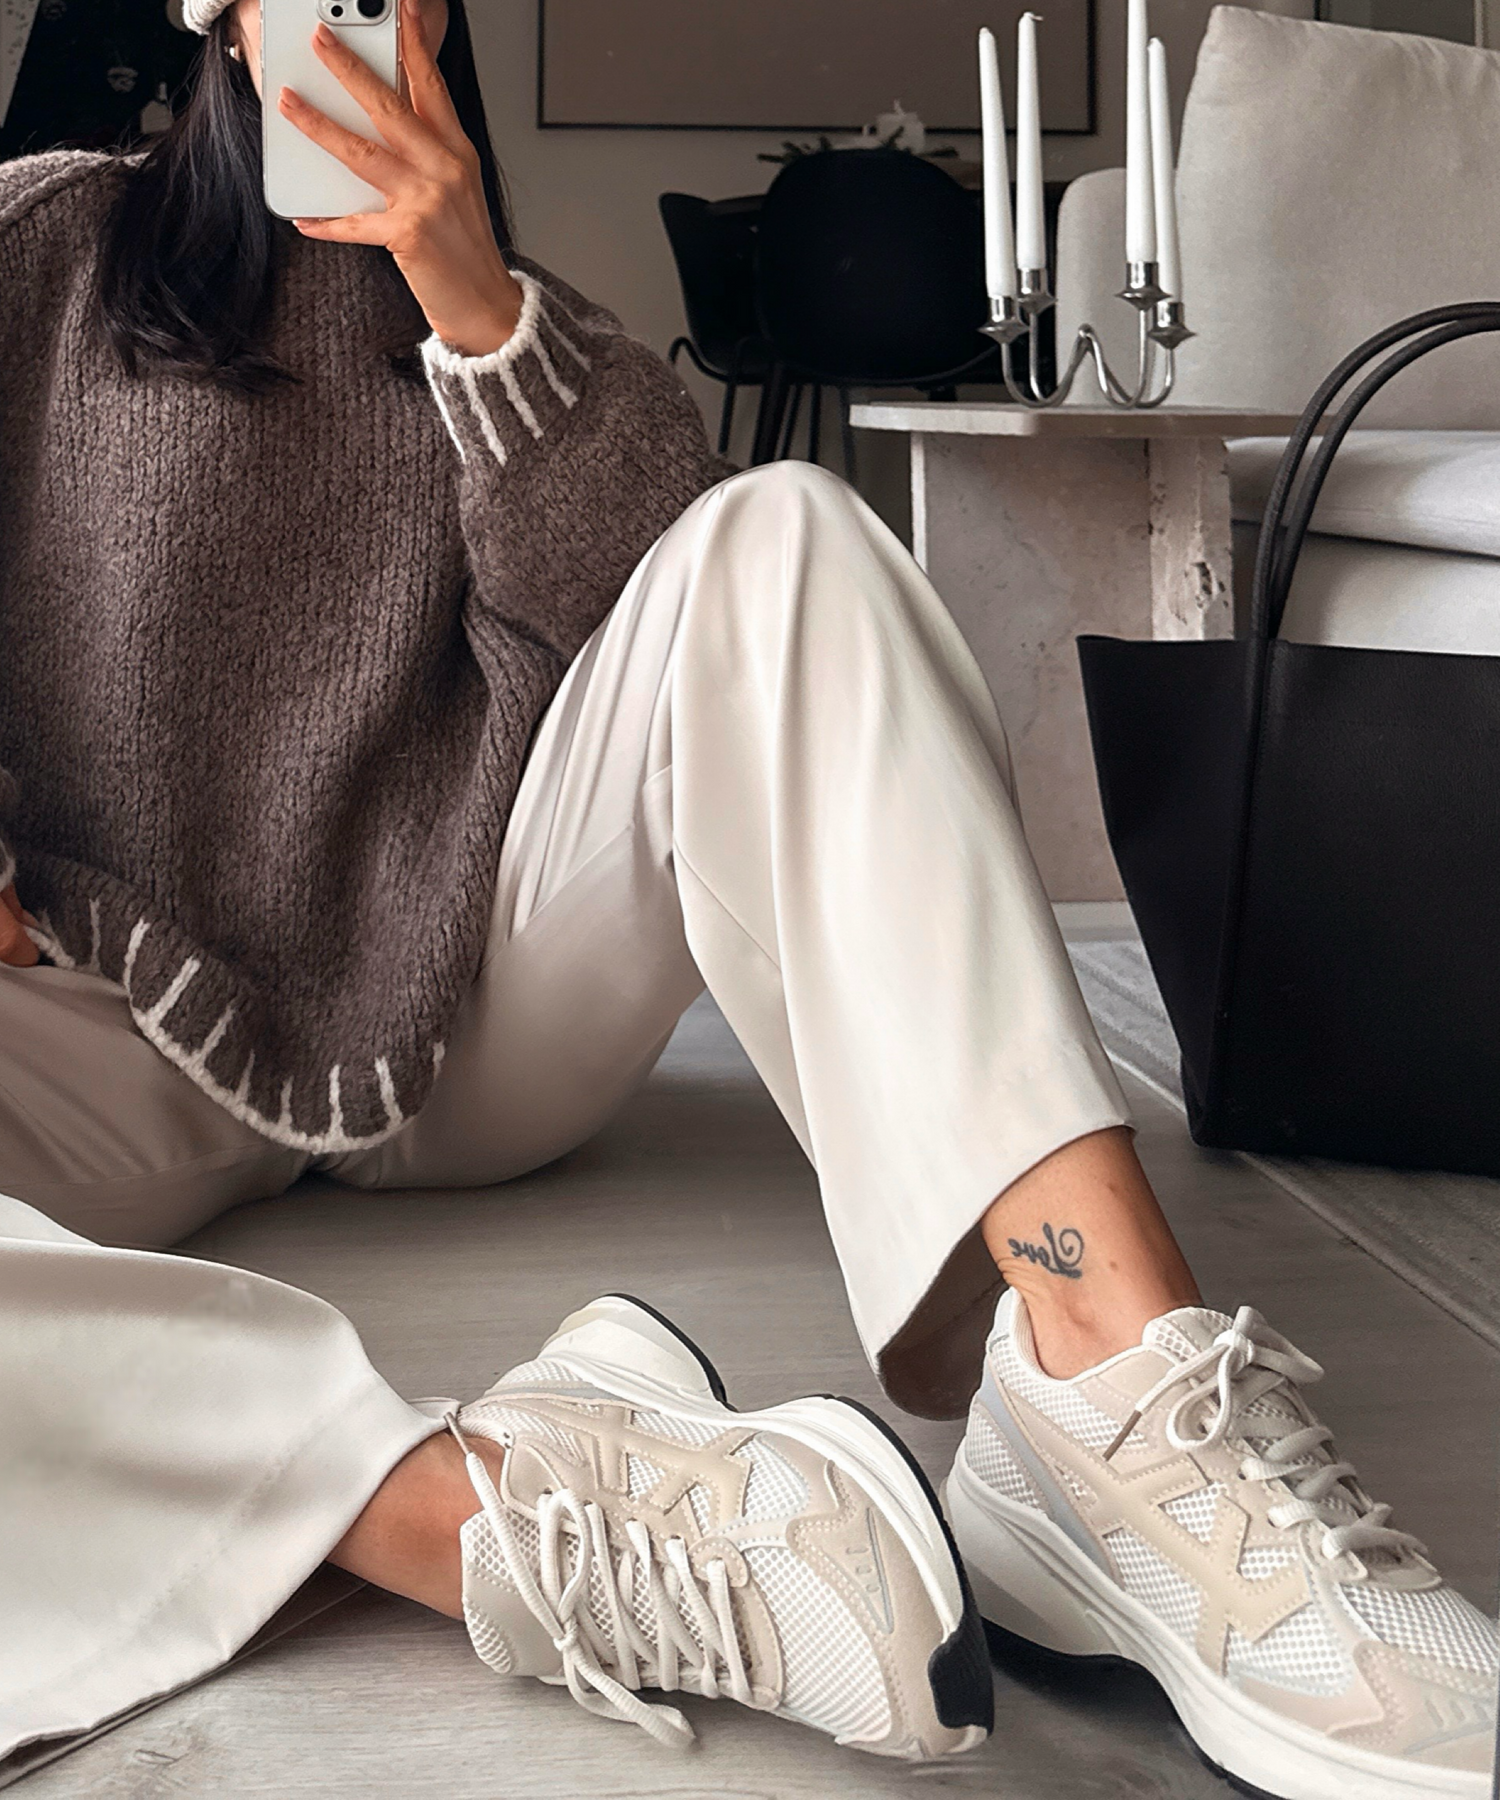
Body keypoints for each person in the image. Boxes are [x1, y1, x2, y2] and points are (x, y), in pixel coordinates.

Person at [0, 0, 1493, 1792]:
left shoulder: (523, 319)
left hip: (455, 1002)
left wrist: (477, 310)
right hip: (93, 1019)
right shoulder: (40, 247)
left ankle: (1108, 1389)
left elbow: (671, 634)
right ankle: (493, 1502)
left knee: (787, 536)